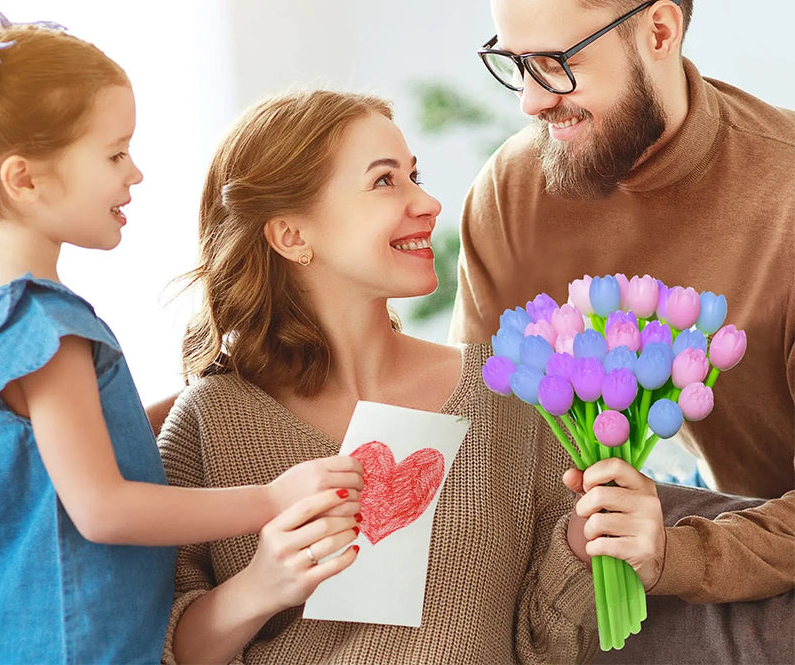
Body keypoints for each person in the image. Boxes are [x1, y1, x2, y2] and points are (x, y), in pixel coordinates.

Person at [156, 88, 672, 665]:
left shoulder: (513, 391)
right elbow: (161, 649)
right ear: (292, 236)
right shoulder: (210, 421)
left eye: (414, 174)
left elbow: (545, 644)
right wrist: (260, 586)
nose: (428, 202)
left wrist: (588, 547)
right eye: (384, 181)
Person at [448, 0, 794, 659]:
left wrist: (675, 554)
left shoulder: (786, 201)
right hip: (598, 544)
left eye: (555, 63)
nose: (532, 102)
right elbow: (478, 437)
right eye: (513, 62)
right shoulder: (512, 191)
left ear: (660, 32)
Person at [0, 17, 363, 665]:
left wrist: (205, 395)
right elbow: (102, 508)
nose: (134, 173)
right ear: (24, 180)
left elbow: (54, 459)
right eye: (113, 154)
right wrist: (272, 499)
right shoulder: (46, 324)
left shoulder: (11, 322)